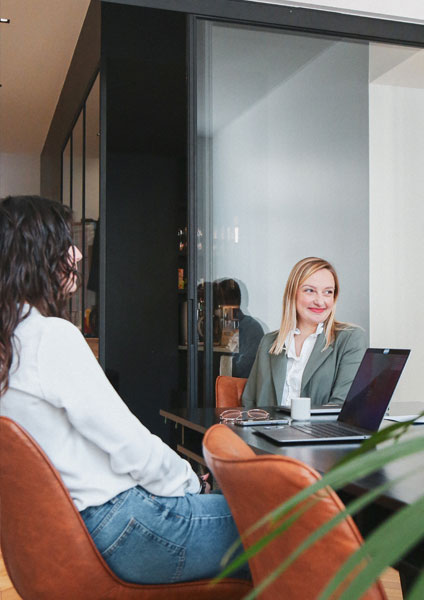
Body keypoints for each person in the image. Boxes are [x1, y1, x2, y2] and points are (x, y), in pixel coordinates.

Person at [0, 196, 247, 584]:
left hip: (75, 528)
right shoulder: (49, 336)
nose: (78, 254)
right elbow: (127, 442)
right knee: (291, 525)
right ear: (36, 254)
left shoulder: (10, 343)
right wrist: (187, 480)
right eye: (66, 243)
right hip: (123, 528)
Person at [242, 256, 367, 408]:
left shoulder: (350, 339)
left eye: (328, 292)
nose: (320, 301)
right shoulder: (269, 342)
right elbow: (249, 402)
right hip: (266, 430)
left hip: (320, 432)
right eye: (310, 291)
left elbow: (343, 407)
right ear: (292, 293)